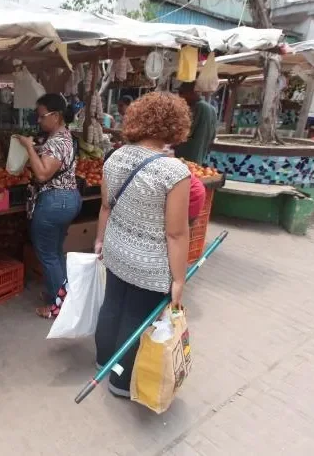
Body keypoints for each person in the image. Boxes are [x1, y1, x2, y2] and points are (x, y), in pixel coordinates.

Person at [93, 91, 192, 398]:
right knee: (136, 318)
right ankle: (121, 383)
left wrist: (99, 240)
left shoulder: (115, 156)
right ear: (175, 126)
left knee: (112, 305)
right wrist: (178, 279)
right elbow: (176, 234)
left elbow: (106, 207)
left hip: (116, 249)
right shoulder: (175, 172)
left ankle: (103, 362)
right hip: (149, 264)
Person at [16, 94, 81, 319]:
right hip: (67, 199)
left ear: (56, 116)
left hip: (55, 201)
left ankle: (58, 307)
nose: (39, 120)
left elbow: (43, 174)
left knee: (48, 254)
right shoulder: (65, 137)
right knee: (54, 251)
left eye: (42, 116)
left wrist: (28, 148)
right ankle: (62, 296)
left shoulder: (57, 141)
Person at [174, 82, 217, 165]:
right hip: (201, 154)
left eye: (182, 93)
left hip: (188, 154)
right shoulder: (212, 109)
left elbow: (186, 132)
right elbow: (213, 135)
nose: (180, 97)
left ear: (191, 92)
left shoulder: (198, 107)